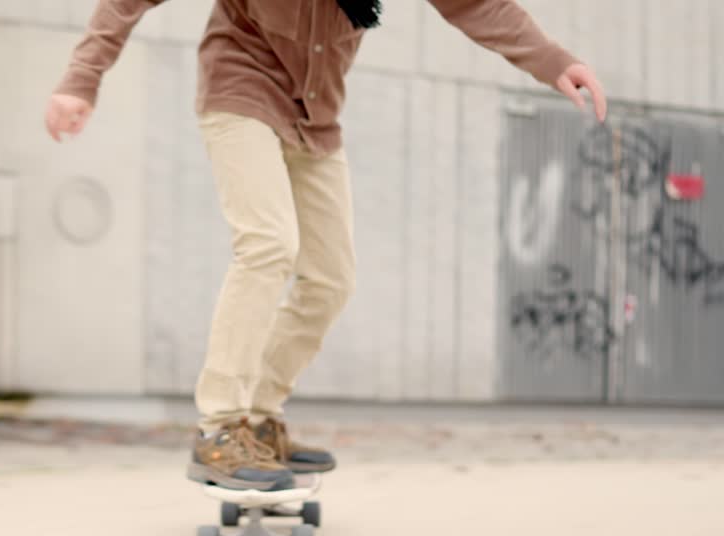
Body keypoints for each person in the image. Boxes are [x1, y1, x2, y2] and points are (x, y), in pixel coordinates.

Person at [45, 0, 607, 492]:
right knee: (268, 246)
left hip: (316, 120)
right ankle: (219, 428)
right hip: (241, 91)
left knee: (331, 279)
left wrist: (552, 61)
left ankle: (258, 421)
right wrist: (80, 79)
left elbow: (475, 4)